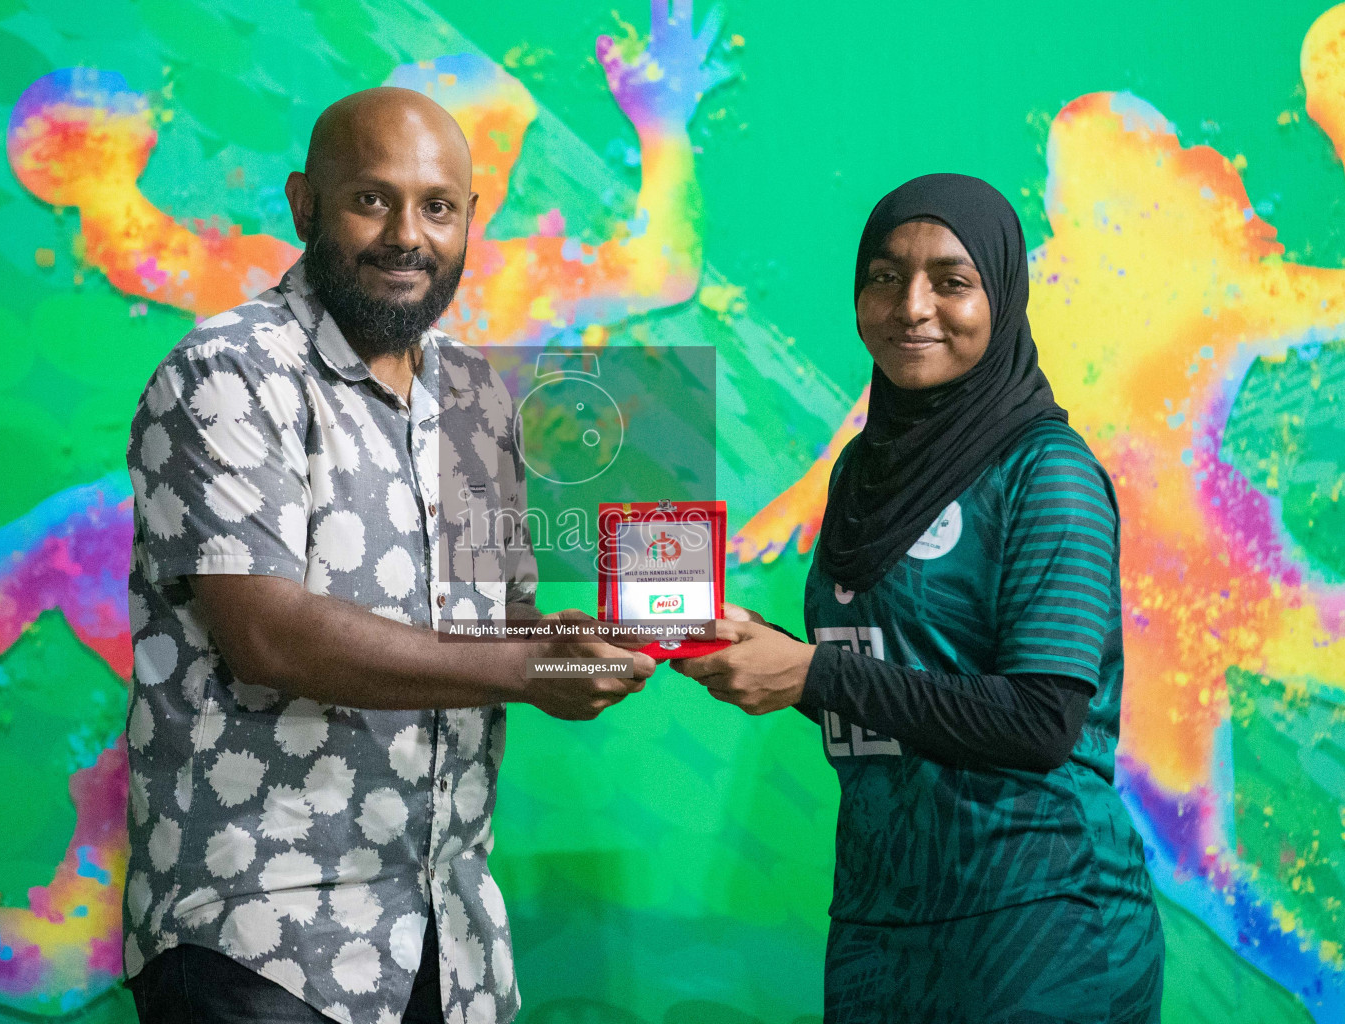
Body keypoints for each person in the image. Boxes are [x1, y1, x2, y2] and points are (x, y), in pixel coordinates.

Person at [120, 87, 653, 1024]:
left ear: (470, 221)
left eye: (438, 207)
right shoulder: (228, 371)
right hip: (263, 944)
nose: (408, 234)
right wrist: (529, 667)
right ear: (304, 204)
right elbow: (269, 636)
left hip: (449, 941)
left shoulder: (478, 398)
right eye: (374, 199)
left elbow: (498, 626)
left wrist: (601, 637)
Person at [671, 174, 1164, 1022]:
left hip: (1036, 916)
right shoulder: (864, 469)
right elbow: (896, 674)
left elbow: (1043, 720)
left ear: (1002, 296)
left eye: (951, 280)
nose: (912, 306)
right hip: (881, 914)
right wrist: (758, 645)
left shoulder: (1049, 473)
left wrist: (813, 675)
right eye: (885, 275)